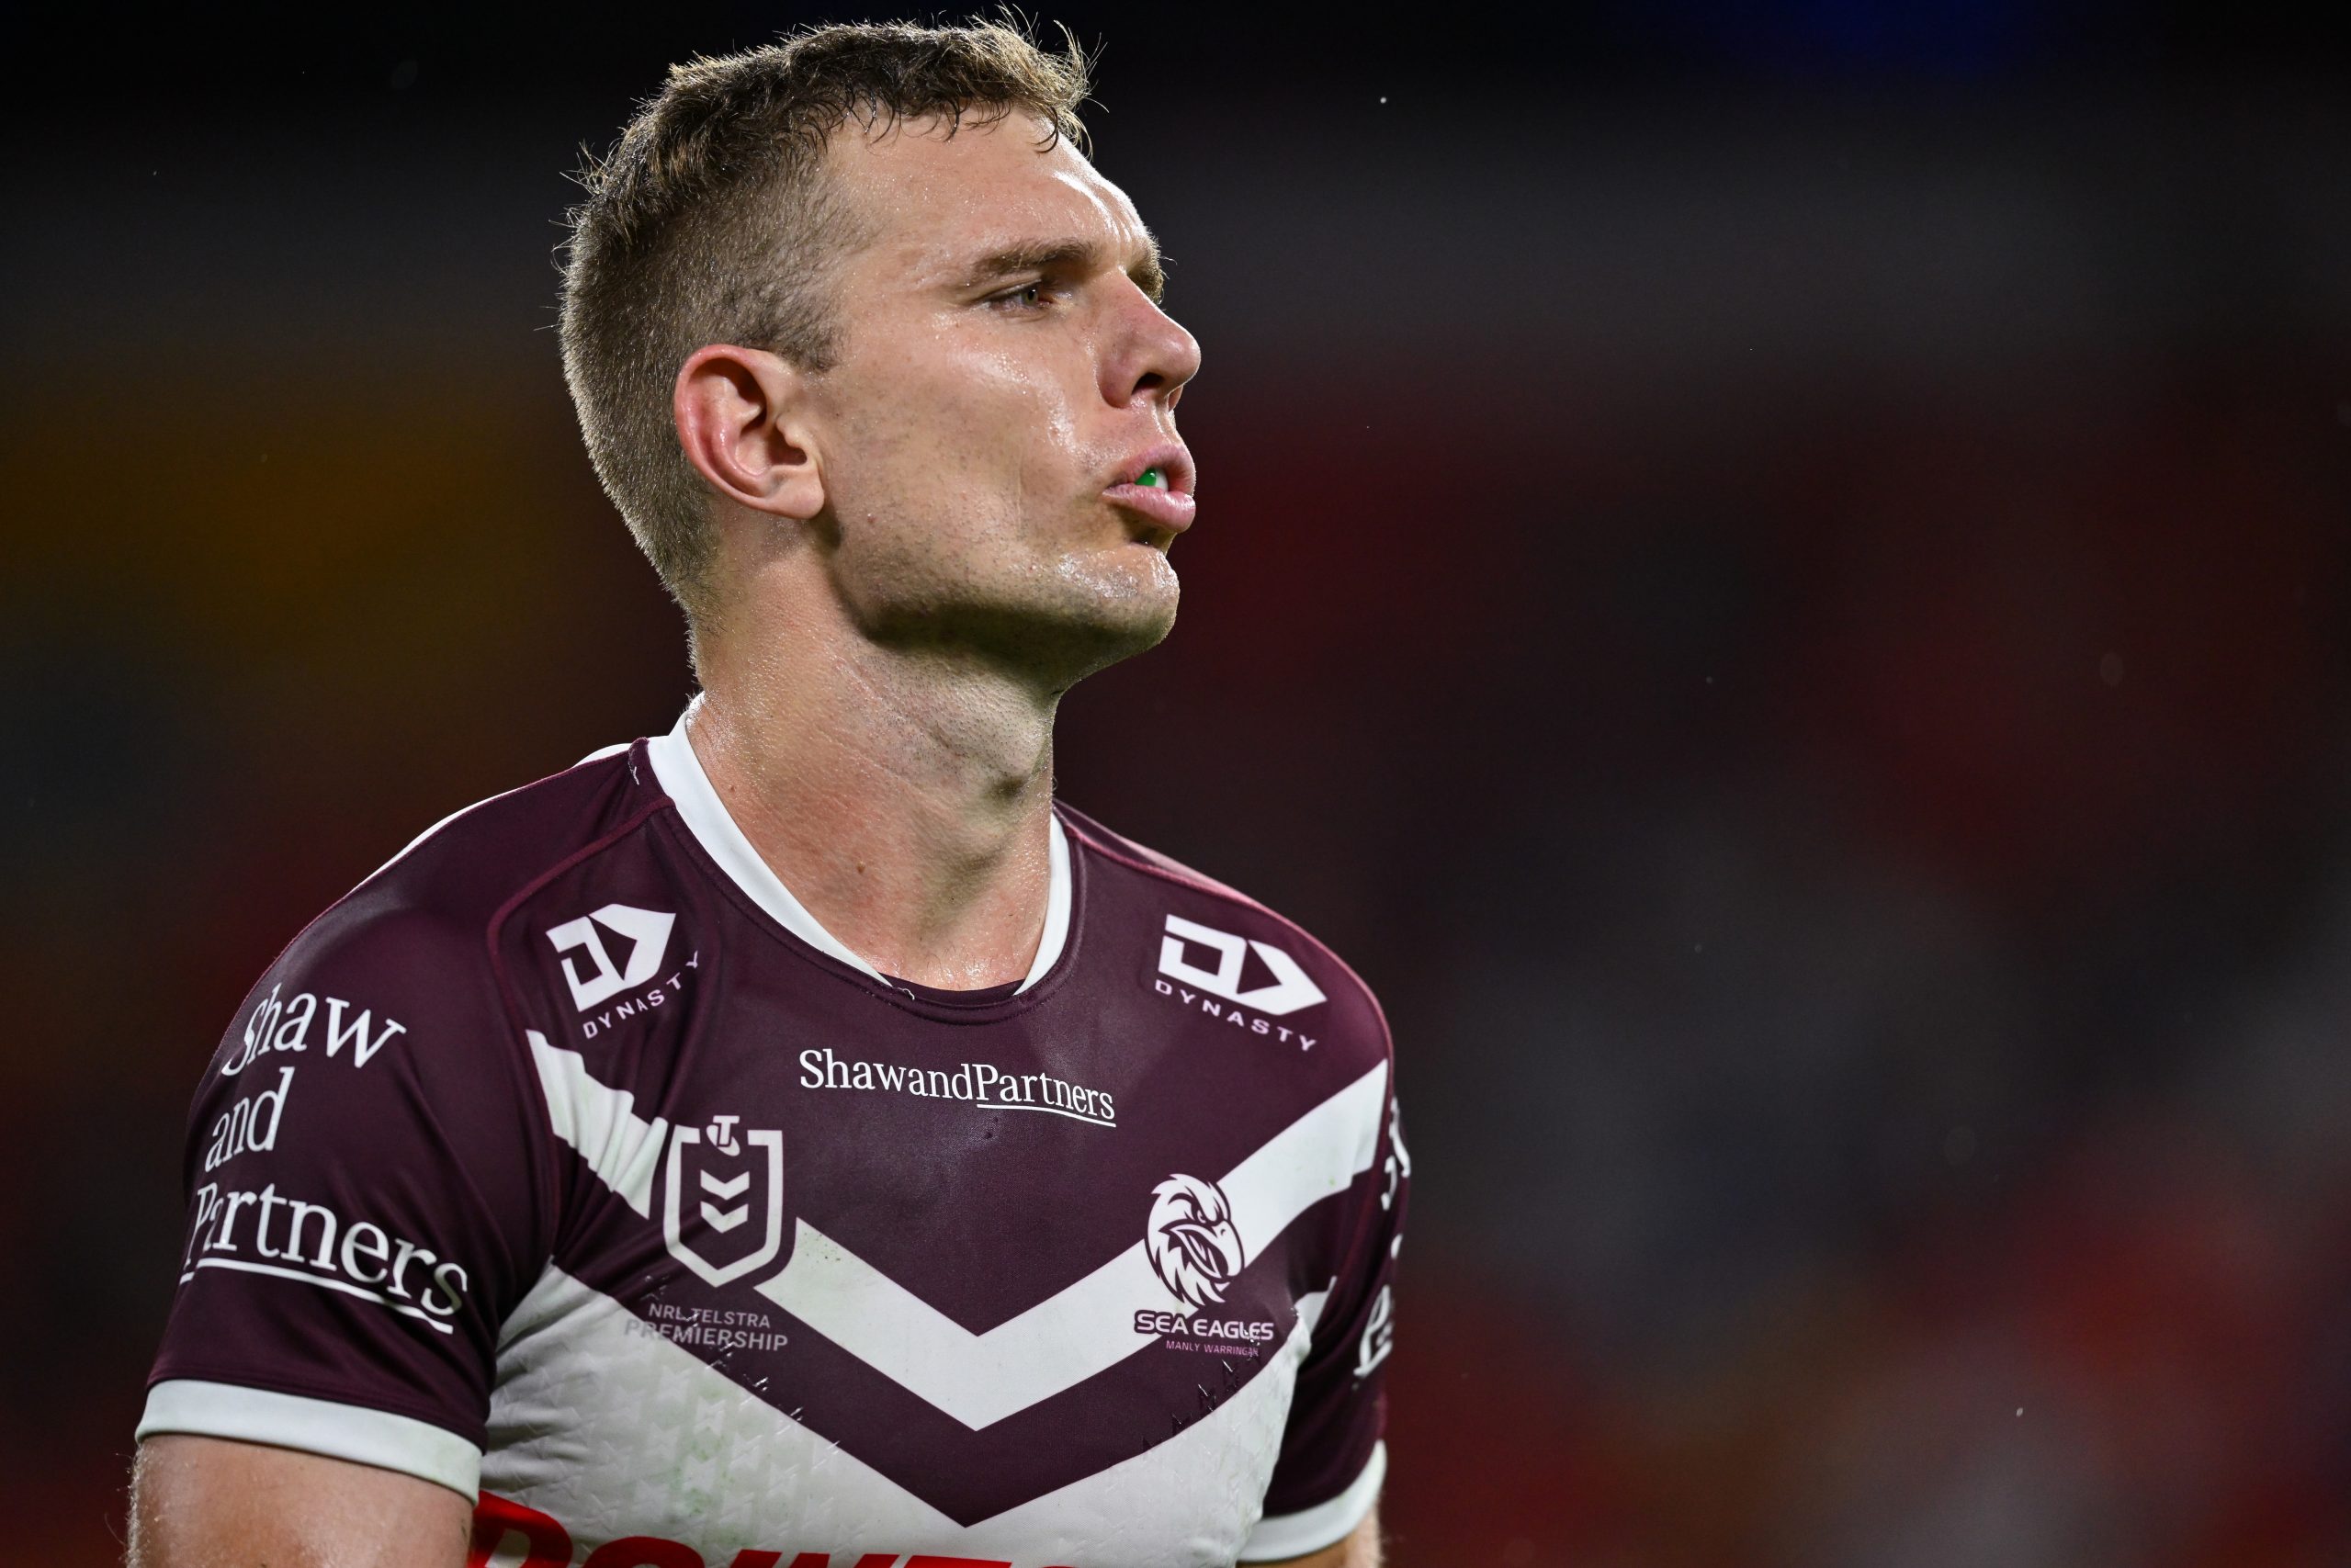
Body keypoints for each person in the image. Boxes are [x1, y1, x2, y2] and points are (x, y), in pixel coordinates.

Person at [127, 20, 1407, 1568]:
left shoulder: (1295, 1070)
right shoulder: (443, 1007)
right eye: (1023, 291)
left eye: (1145, 285)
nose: (1166, 349)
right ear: (763, 431)